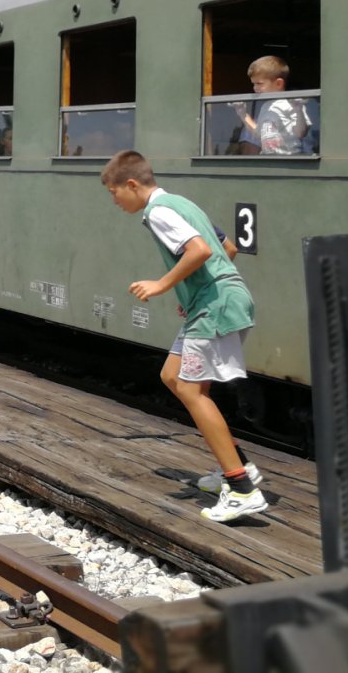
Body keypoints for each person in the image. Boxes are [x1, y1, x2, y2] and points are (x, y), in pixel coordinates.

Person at [101, 150, 266, 523]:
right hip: (216, 301)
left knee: (191, 391)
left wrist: (162, 284)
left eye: (114, 193)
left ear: (131, 185)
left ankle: (241, 489)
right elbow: (229, 247)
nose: (114, 201)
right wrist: (193, 290)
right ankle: (240, 467)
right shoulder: (182, 203)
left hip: (216, 306)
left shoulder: (158, 212)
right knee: (173, 377)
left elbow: (200, 250)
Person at [244, 55, 312, 155]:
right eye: (253, 84)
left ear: (278, 83)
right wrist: (242, 114)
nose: (255, 88)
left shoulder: (291, 103)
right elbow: (258, 134)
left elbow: (300, 133)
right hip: (268, 159)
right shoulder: (265, 106)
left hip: (289, 160)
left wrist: (298, 110)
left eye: (259, 83)